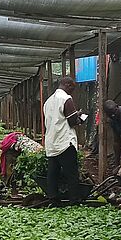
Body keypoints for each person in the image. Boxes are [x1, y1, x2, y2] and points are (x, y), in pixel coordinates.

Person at [42, 76, 82, 205]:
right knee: (71, 172)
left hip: (52, 142)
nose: (72, 91)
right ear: (68, 85)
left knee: (53, 173)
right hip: (64, 141)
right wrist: (79, 119)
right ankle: (74, 199)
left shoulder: (48, 101)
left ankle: (53, 198)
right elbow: (71, 121)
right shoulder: (66, 99)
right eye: (72, 88)